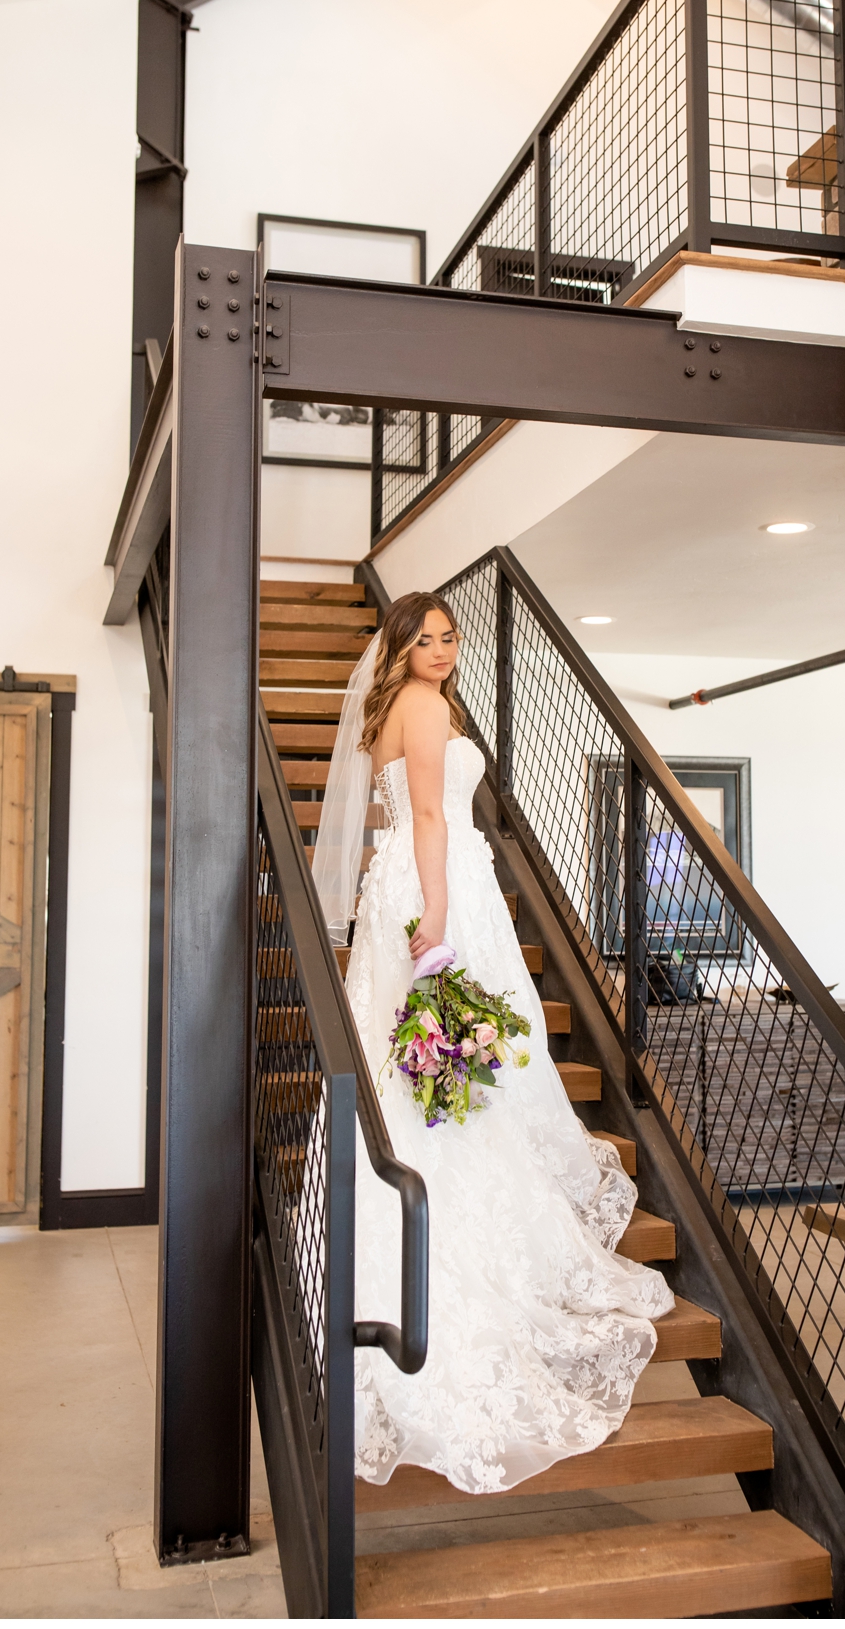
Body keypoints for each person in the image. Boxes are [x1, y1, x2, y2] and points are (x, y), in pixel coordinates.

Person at [312, 591, 672, 1495]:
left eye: (448, 635)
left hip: (409, 880)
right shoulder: (426, 705)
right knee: (453, 1061)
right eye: (423, 637)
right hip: (436, 888)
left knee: (418, 1067)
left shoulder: (398, 705)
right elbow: (431, 816)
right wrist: (437, 923)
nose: (440, 649)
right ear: (400, 645)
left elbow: (410, 816)